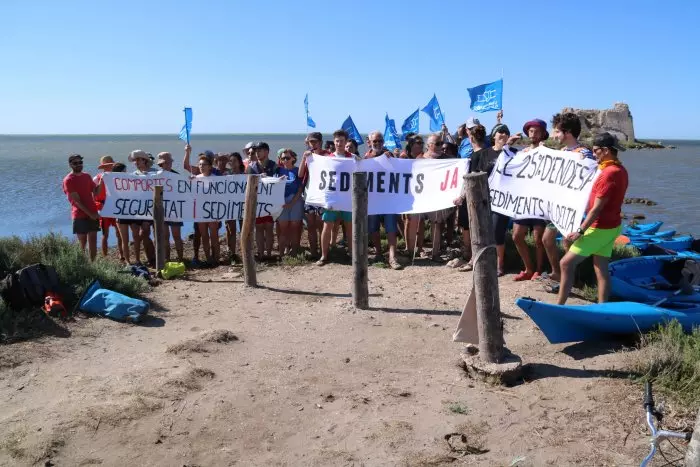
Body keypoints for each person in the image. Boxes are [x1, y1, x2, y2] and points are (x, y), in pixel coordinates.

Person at [557, 132, 628, 305]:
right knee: (601, 270)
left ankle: (559, 306)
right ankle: (603, 308)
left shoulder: (607, 174)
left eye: (595, 150)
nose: (593, 153)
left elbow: (596, 209)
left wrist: (580, 231)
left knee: (566, 264)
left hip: (599, 228)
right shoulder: (620, 169)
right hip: (613, 226)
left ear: (605, 151)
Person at [542, 113, 595, 282]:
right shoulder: (562, 151)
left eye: (557, 132)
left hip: (573, 208)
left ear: (568, 132)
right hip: (559, 206)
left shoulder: (584, 153)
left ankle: (570, 279)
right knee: (547, 239)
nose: (555, 135)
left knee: (567, 242)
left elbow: (589, 174)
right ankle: (557, 273)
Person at [511, 119, 549, 281]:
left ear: (543, 134)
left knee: (538, 239)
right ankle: (528, 267)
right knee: (517, 236)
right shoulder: (523, 153)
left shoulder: (548, 152)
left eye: (537, 131)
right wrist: (507, 144)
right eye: (531, 131)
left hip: (540, 200)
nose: (533, 134)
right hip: (524, 200)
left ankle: (539, 270)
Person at [365, 131, 402, 270]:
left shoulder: (389, 155)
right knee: (373, 228)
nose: (377, 143)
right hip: (373, 200)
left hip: (388, 200)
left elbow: (399, 171)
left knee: (391, 229)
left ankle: (392, 257)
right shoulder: (366, 158)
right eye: (375, 141)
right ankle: (379, 253)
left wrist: (394, 157)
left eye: (380, 141)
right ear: (370, 142)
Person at [453, 125, 489, 270]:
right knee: (468, 226)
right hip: (479, 196)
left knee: (470, 227)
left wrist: (462, 195)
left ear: (471, 138)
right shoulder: (486, 153)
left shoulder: (476, 156)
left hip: (473, 198)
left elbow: (471, 178)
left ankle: (472, 257)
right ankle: (469, 255)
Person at [316, 130, 354, 266]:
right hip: (332, 198)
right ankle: (324, 256)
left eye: (342, 141)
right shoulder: (328, 158)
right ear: (334, 142)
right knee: (327, 226)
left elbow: (367, 166)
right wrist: (307, 156)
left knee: (349, 228)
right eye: (337, 141)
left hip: (348, 199)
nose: (339, 143)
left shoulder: (353, 158)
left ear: (346, 142)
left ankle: (352, 255)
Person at [62, 154, 99, 261]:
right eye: (75, 163)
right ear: (70, 165)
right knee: (82, 243)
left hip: (92, 212)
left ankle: (94, 264)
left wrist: (104, 180)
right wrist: (91, 214)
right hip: (79, 214)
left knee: (93, 240)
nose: (78, 165)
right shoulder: (68, 180)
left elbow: (95, 192)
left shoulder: (87, 176)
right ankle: (82, 266)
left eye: (80, 162)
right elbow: (77, 201)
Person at [422, 133, 453, 262]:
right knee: (418, 223)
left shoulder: (447, 159)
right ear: (429, 145)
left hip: (439, 196)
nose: (442, 146)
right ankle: (417, 250)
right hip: (423, 196)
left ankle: (435, 252)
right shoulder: (421, 159)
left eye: (442, 143)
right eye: (438, 144)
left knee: (437, 223)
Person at [298, 132, 328, 259]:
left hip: (322, 196)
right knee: (310, 225)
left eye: (315, 141)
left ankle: (323, 251)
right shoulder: (308, 156)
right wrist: (304, 158)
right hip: (309, 195)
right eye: (311, 142)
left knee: (321, 225)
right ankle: (313, 251)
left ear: (320, 142)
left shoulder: (327, 155)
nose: (313, 144)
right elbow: (300, 174)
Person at [246, 142, 277, 259]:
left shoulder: (274, 166)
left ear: (267, 152)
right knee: (258, 228)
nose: (257, 153)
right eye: (256, 151)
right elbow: (247, 184)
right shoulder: (251, 167)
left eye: (260, 151)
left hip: (270, 202)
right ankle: (261, 254)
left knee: (269, 227)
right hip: (256, 202)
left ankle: (269, 254)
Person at [93, 155, 123, 260]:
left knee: (119, 233)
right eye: (107, 165)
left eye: (111, 165)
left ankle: (122, 255)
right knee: (105, 234)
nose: (109, 167)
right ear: (103, 167)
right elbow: (94, 195)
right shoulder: (97, 178)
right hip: (103, 207)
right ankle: (105, 257)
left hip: (116, 206)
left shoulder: (118, 177)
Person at [274, 149, 304, 255]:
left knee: (295, 228)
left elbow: (300, 188)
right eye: (283, 158)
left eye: (287, 158)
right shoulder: (278, 171)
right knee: (283, 229)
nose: (285, 160)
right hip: (281, 203)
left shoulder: (298, 171)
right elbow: (272, 186)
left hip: (296, 201)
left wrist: (292, 203)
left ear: (293, 158)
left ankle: (294, 251)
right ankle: (283, 253)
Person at [156, 152, 184, 263]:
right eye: (166, 163)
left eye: (170, 162)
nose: (169, 164)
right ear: (161, 164)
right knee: (165, 236)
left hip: (175, 209)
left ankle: (181, 259)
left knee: (177, 235)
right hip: (161, 210)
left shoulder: (176, 175)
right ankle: (167, 259)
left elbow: (183, 191)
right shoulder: (155, 176)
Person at [195, 153, 221, 266]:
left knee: (214, 235)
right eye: (200, 164)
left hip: (213, 211)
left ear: (210, 166)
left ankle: (216, 258)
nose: (201, 166)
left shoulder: (216, 179)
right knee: (204, 236)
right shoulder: (196, 179)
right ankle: (208, 258)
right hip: (200, 211)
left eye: (204, 164)